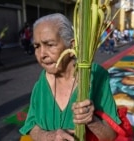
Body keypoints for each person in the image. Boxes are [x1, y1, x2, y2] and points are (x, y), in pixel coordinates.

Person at [19, 13, 123, 141]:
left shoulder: (95, 76)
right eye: (37, 46)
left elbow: (111, 135)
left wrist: (92, 121)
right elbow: (31, 126)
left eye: (50, 45)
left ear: (72, 44)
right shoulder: (40, 85)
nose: (41, 55)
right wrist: (49, 136)